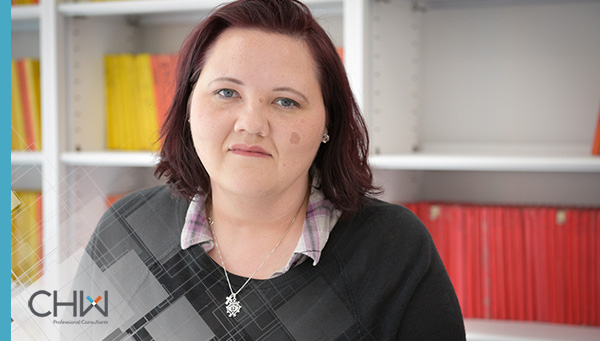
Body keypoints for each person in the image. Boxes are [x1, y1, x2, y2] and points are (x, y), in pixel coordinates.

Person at [74, 0, 465, 339]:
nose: (252, 124)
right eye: (227, 93)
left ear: (329, 123)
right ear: (188, 107)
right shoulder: (127, 229)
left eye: (286, 102)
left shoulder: (392, 249)